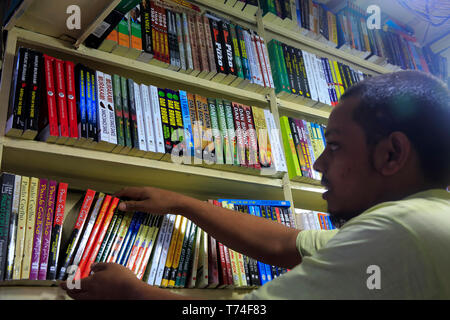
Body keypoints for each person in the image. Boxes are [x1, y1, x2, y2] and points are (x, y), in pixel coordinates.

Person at [61, 70, 450, 300]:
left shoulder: (399, 232)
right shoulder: (424, 221)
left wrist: (133, 294)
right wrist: (183, 203)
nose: (317, 163)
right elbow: (286, 244)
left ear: (391, 154)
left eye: (334, 146)